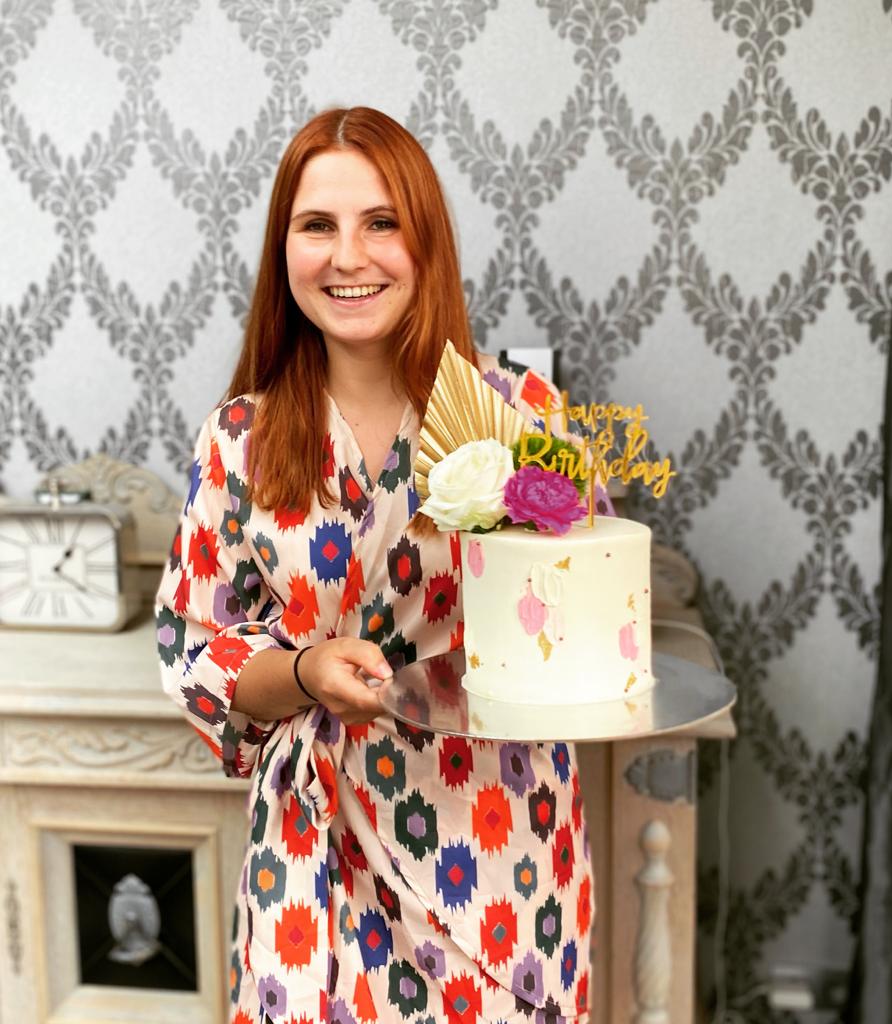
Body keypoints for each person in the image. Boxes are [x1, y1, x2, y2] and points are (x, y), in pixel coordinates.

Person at [155, 106, 593, 1024]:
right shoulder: (238, 440)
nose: (348, 256)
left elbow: (583, 614)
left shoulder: (519, 413)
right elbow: (196, 654)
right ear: (284, 250)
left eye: (381, 222)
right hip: (311, 855)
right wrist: (305, 670)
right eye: (317, 225)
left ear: (424, 238)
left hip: (495, 848)